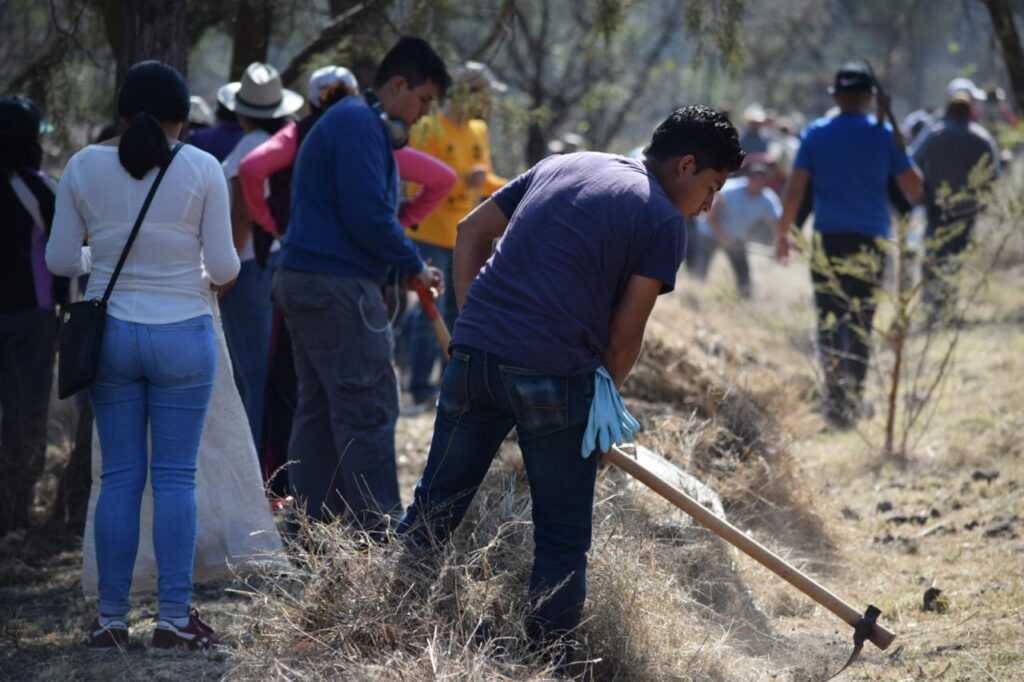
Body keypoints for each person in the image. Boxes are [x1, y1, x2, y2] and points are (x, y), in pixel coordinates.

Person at [398, 106, 743, 652]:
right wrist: (601, 401)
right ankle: (548, 659)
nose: (709, 204)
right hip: (553, 376)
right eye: (712, 187)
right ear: (686, 165)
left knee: (433, 507)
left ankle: (389, 623)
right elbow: (624, 340)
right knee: (561, 536)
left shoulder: (565, 164)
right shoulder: (662, 221)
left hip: (476, 357)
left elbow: (471, 230)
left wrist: (470, 326)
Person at [46, 61, 240, 649]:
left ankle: (111, 619)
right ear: (182, 117)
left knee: (119, 478)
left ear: (122, 114)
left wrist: (101, 260)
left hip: (110, 338)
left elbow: (60, 261)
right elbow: (225, 266)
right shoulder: (202, 167)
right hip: (183, 333)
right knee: (175, 479)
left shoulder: (83, 166)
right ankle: (173, 618)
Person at [237, 66, 455, 492]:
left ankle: (312, 522)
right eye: (424, 99)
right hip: (337, 285)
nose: (424, 112)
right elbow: (370, 214)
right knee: (368, 407)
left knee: (316, 409)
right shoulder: (360, 124)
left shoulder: (334, 126)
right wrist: (411, 263)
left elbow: (357, 214)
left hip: (301, 275)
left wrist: (399, 261)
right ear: (397, 84)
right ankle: (376, 523)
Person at [777, 61, 923, 427]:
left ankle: (834, 398)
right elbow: (915, 187)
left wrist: (784, 234)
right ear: (871, 97)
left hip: (829, 240)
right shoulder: (884, 135)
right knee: (861, 321)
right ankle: (854, 400)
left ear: (837, 97)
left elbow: (795, 191)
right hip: (872, 242)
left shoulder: (815, 134)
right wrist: (896, 138)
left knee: (830, 320)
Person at [403, 61, 507, 408]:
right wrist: (463, 182)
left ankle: (449, 383)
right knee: (427, 310)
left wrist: (519, 188)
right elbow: (415, 184)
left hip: (464, 236)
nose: (486, 103)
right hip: (430, 232)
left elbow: (485, 179)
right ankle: (419, 387)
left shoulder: (478, 130)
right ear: (466, 93)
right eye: (483, 95)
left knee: (458, 311)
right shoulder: (428, 127)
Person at [218, 62, 304, 447]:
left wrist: (226, 269)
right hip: (277, 263)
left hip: (249, 266)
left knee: (253, 377)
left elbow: (241, 217)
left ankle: (253, 462)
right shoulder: (285, 145)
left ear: (241, 111)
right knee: (266, 373)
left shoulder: (247, 149)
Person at [0, 95, 68, 536]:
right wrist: (62, 314)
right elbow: (63, 259)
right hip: (31, 318)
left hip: (30, 317)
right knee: (25, 415)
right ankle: (13, 512)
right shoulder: (42, 189)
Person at [910, 91, 1000, 319]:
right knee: (954, 258)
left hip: (936, 207)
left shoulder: (934, 134)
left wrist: (919, 192)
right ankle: (947, 307)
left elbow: (912, 161)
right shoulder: (981, 138)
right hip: (967, 209)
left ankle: (930, 306)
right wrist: (983, 199)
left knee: (933, 256)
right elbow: (994, 175)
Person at [700, 162, 781, 298]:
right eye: (756, 181)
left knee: (743, 273)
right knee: (700, 269)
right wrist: (722, 237)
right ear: (749, 179)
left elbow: (777, 224)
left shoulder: (768, 200)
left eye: (762, 183)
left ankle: (745, 297)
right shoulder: (729, 192)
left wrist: (781, 243)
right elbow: (710, 217)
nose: (758, 185)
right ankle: (695, 293)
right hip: (710, 233)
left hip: (735, 239)